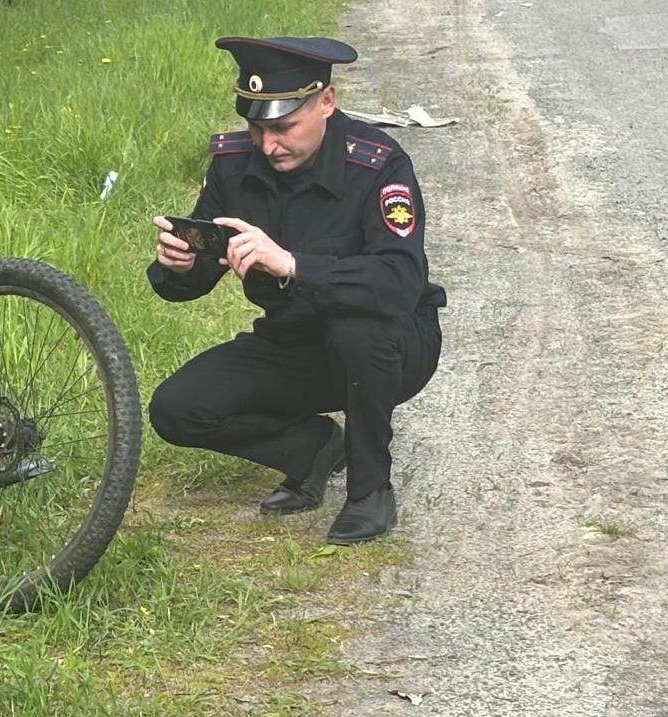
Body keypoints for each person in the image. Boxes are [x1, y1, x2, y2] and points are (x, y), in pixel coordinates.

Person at [147, 36, 445, 545]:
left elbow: (398, 281)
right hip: (294, 341)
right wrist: (180, 264)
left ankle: (370, 491)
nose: (268, 145)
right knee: (177, 408)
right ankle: (313, 449)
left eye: (284, 127)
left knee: (356, 327)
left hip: (392, 344)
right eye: (257, 128)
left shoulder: (377, 165)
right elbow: (197, 275)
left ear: (326, 101)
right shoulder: (234, 166)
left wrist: (293, 264)